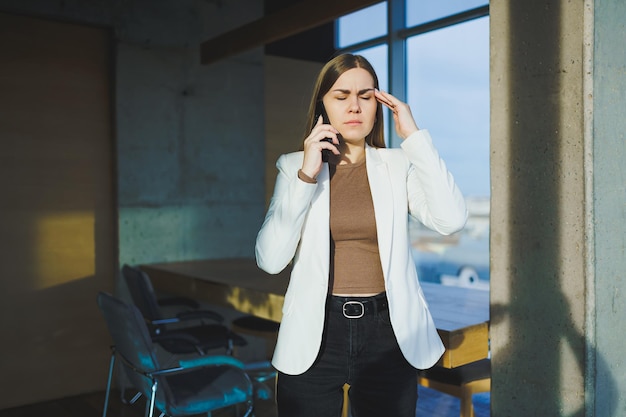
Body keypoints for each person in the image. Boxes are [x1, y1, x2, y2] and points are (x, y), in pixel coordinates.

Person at [255, 53, 467, 417]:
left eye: (365, 96)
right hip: (315, 331)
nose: (354, 106)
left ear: (378, 103)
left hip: (387, 331)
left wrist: (414, 137)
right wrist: (307, 176)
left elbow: (451, 219)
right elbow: (271, 260)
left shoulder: (397, 165)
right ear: (322, 104)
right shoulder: (293, 167)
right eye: (341, 96)